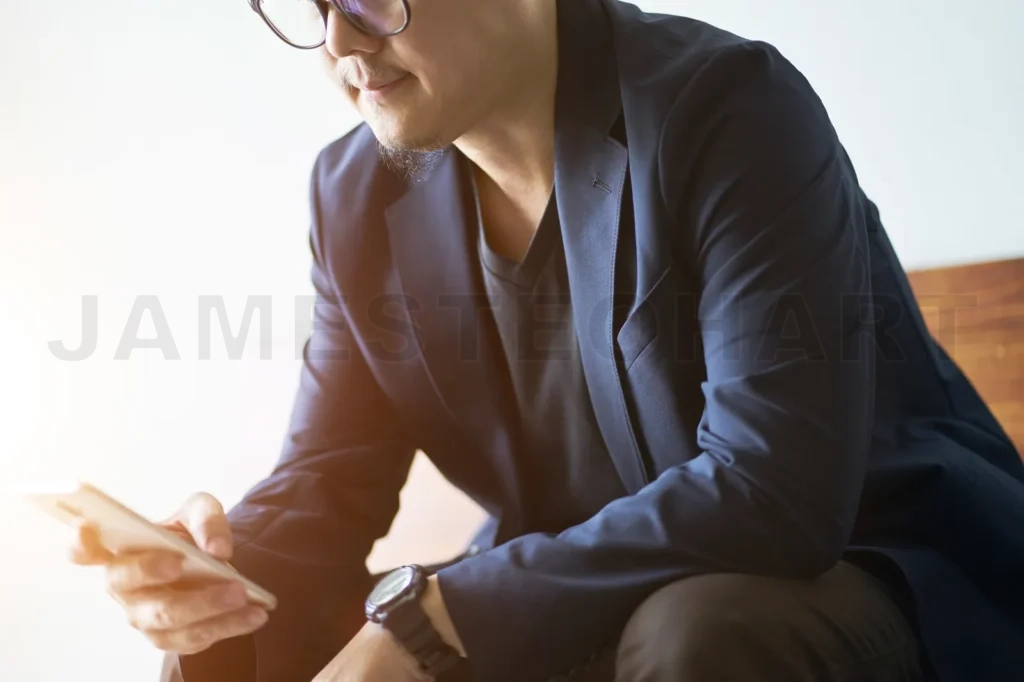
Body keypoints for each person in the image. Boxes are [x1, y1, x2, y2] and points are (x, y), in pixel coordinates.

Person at [71, 0, 1024, 680]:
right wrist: (214, 569)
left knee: (696, 631)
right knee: (245, 639)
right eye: (311, 3)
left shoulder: (732, 107)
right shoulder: (352, 194)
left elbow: (772, 489)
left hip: (872, 568)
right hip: (585, 576)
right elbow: (325, 480)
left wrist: (436, 623)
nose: (339, 42)